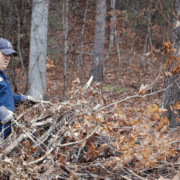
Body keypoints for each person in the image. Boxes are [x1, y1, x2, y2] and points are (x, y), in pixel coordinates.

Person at [0, 38, 37, 137]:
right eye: (4, 54)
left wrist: (22, 99)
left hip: (6, 131)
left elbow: (4, 98)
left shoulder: (2, 75)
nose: (8, 58)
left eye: (9, 55)